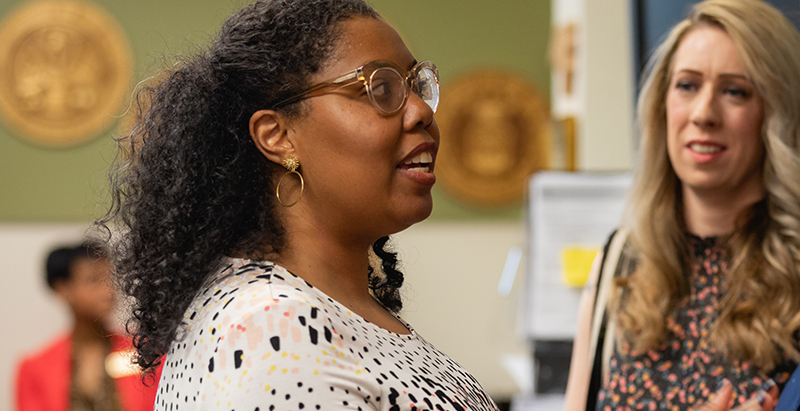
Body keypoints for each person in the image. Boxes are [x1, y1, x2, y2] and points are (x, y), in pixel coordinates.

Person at [99, 0, 498, 410]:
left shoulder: (319, 310)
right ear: (277, 136)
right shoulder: (273, 333)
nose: (420, 112)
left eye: (417, 85)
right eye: (380, 88)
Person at [564, 0, 800, 410]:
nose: (704, 113)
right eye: (687, 85)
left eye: (735, 91)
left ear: (776, 114)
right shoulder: (618, 264)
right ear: (662, 106)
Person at [15, 242, 158, 411]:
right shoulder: (36, 368)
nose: (108, 291)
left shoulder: (143, 351)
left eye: (110, 280)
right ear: (63, 288)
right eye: (93, 280)